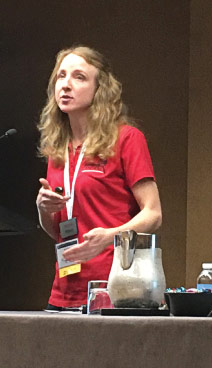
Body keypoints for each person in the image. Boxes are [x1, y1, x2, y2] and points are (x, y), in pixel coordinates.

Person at [35, 46, 162, 310]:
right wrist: (43, 210)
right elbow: (57, 231)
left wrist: (110, 236)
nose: (66, 84)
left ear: (99, 89)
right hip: (63, 291)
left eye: (79, 77)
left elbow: (153, 214)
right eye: (61, 76)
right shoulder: (58, 150)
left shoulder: (126, 139)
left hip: (114, 288)